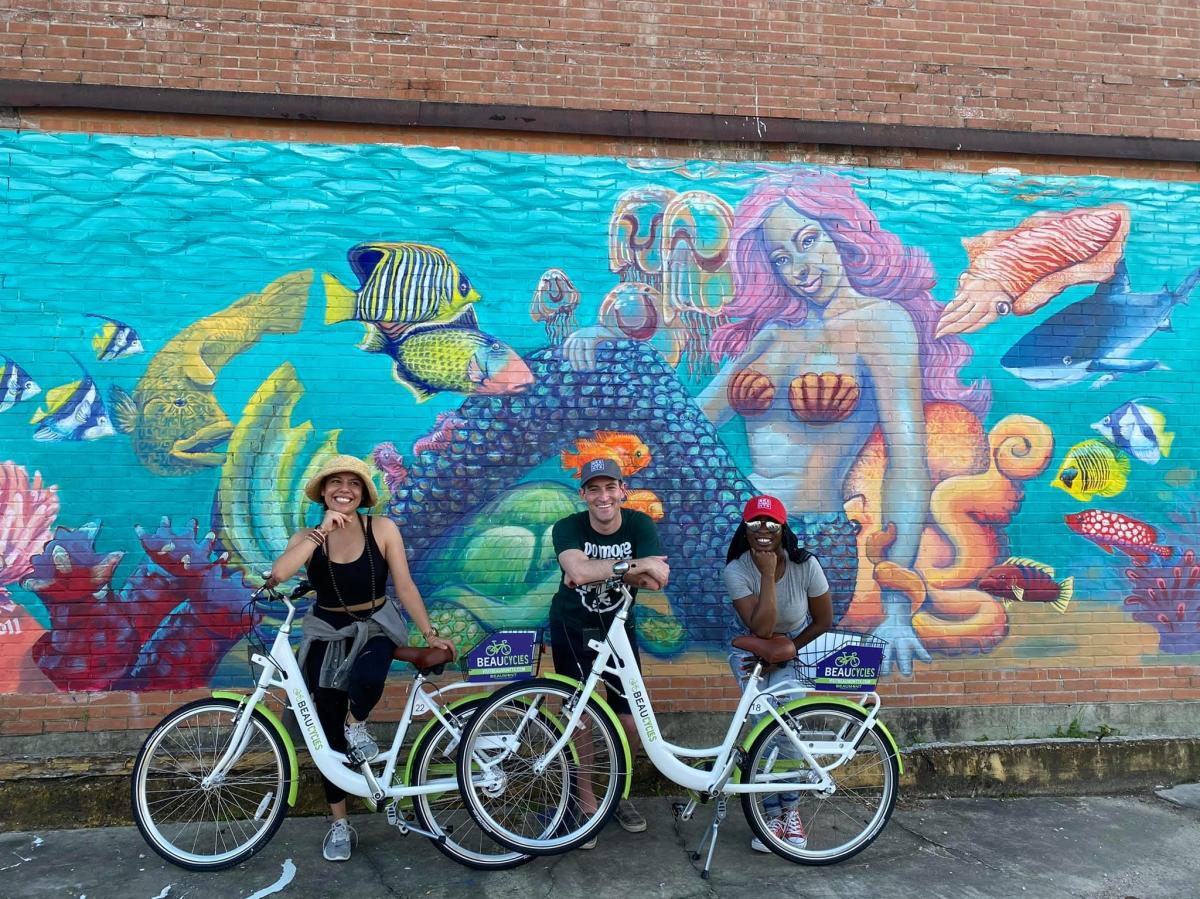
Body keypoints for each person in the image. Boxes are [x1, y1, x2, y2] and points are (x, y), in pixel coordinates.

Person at [699, 172, 988, 675]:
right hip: (732, 537)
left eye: (808, 241)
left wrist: (898, 605)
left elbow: (908, 465)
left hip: (809, 543)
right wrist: (605, 341)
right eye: (781, 258)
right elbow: (690, 424)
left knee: (781, 691)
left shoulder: (881, 323)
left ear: (842, 233)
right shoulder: (774, 335)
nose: (798, 269)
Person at [267, 454, 456, 863]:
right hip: (326, 633)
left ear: (362, 493)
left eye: (353, 483)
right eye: (335, 482)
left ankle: (360, 726)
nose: (344, 490)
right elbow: (278, 574)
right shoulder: (307, 534)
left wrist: (430, 633)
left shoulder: (382, 528)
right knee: (326, 732)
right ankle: (339, 822)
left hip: (376, 625)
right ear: (323, 491)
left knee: (367, 679)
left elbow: (403, 585)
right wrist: (319, 533)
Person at [550, 456, 670, 847]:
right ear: (583, 494)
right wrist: (635, 564)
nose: (603, 497)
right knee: (580, 718)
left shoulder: (639, 523)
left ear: (622, 491)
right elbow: (579, 573)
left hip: (619, 630)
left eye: (610, 487)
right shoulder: (567, 527)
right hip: (572, 627)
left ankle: (616, 795)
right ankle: (586, 803)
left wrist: (598, 567)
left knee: (631, 722)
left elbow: (658, 579)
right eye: (594, 489)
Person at [725, 494, 833, 852]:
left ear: (783, 528)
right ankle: (769, 813)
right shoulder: (737, 570)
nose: (763, 530)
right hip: (751, 654)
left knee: (787, 734)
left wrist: (788, 650)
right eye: (755, 523)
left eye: (771, 523)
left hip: (794, 650)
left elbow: (823, 621)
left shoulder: (806, 565)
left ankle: (790, 811)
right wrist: (768, 575)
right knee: (763, 734)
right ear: (746, 529)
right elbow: (760, 627)